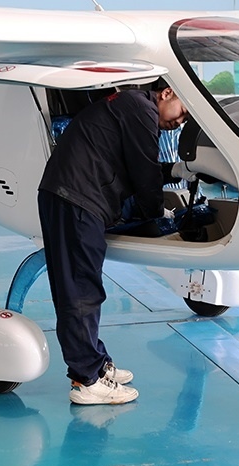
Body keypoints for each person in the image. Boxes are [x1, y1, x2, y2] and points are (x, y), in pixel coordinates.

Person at [38, 81, 191, 405]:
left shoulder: (131, 105)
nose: (179, 122)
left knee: (83, 287)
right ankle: (86, 380)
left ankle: (95, 362)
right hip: (77, 199)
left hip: (73, 195)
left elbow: (137, 164)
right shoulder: (140, 108)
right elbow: (144, 170)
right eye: (182, 112)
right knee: (81, 291)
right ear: (167, 93)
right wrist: (158, 216)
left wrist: (178, 170)